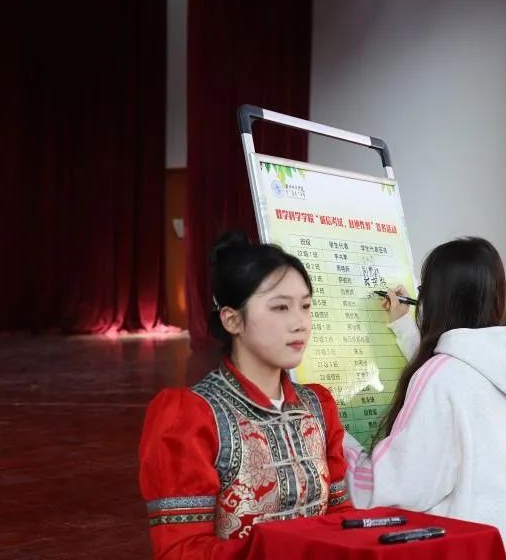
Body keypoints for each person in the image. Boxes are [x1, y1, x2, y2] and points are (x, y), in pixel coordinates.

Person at [138, 232, 352, 559]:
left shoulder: (318, 406)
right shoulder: (192, 416)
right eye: (280, 307)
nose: (300, 323)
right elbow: (181, 551)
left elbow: (342, 519)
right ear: (232, 320)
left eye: (306, 306)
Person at [344, 237, 506, 560]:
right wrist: (403, 326)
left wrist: (339, 441)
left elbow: (398, 484)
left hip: (460, 548)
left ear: (439, 299)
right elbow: (462, 378)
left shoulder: (442, 376)